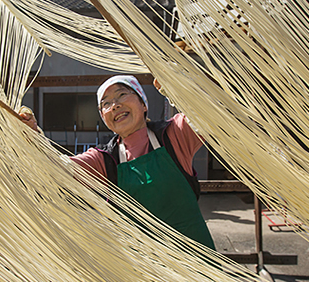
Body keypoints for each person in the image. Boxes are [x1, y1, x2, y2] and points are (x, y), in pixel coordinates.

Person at [21, 75, 215, 250]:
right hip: (148, 273)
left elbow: (211, 113)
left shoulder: (174, 135)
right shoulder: (104, 159)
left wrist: (178, 88)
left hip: (199, 263)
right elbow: (56, 169)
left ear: (143, 104)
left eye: (122, 94)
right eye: (105, 104)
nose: (114, 106)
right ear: (104, 118)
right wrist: (32, 135)